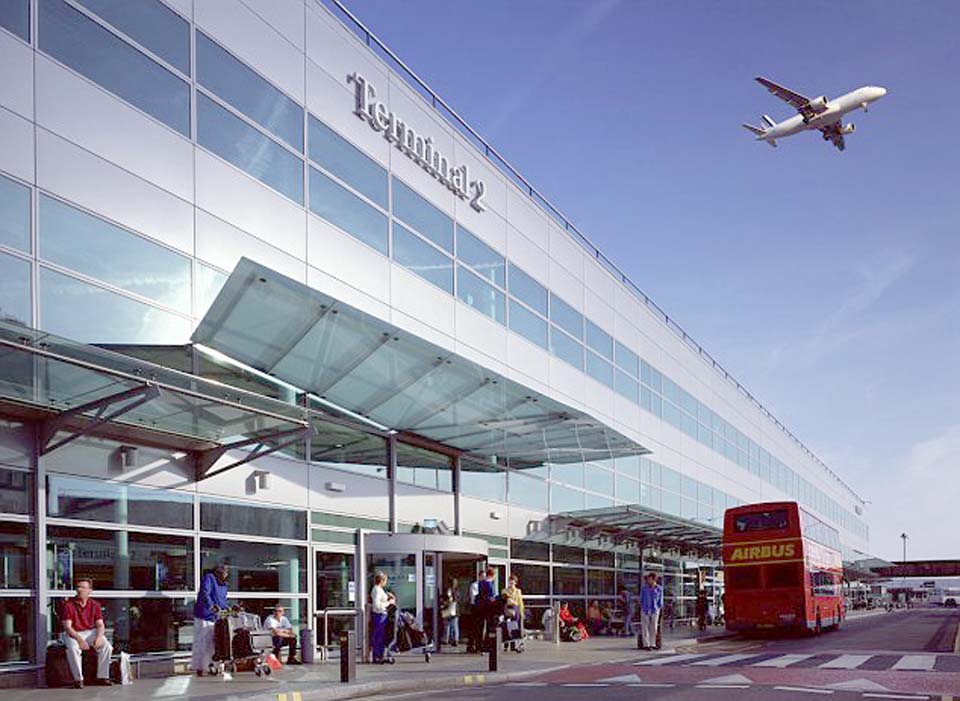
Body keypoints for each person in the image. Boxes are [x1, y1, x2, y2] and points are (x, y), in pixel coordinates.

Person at [60, 578, 114, 688]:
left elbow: (100, 625)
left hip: (90, 632)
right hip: (73, 633)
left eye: (83, 587)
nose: (79, 589)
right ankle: (78, 680)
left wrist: (99, 637)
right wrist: (80, 640)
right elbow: (68, 627)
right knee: (73, 649)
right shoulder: (68, 605)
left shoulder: (95, 605)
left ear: (90, 590)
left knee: (107, 647)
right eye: (78, 587)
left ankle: (103, 677)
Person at [191, 562, 229, 676]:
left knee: (214, 642)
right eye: (224, 572)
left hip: (216, 617)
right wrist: (211, 606)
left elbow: (222, 600)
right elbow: (205, 593)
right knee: (203, 642)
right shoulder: (209, 578)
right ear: (219, 571)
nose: (226, 574)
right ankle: (200, 667)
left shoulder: (223, 584)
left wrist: (228, 608)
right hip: (204, 615)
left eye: (226, 572)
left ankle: (212, 664)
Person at [638, 572, 663, 650]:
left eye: (650, 579)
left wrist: (659, 607)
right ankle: (646, 644)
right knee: (645, 627)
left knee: (654, 627)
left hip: (654, 610)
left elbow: (660, 599)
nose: (648, 581)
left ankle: (653, 644)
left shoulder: (659, 589)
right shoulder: (644, 588)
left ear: (654, 579)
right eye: (648, 579)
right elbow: (641, 598)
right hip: (645, 609)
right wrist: (642, 607)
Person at [370, 572, 390, 663]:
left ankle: (380, 655)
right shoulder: (377, 590)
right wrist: (389, 603)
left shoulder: (379, 590)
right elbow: (377, 605)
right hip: (379, 615)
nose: (386, 582)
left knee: (381, 636)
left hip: (382, 615)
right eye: (385, 580)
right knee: (378, 636)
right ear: (382, 580)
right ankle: (377, 656)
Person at [440, 579, 460, 647]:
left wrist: (444, 603)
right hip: (454, 610)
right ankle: (455, 639)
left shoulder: (448, 591)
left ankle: (447, 639)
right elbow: (456, 600)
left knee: (447, 625)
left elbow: (445, 600)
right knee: (454, 626)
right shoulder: (457, 591)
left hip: (449, 610)